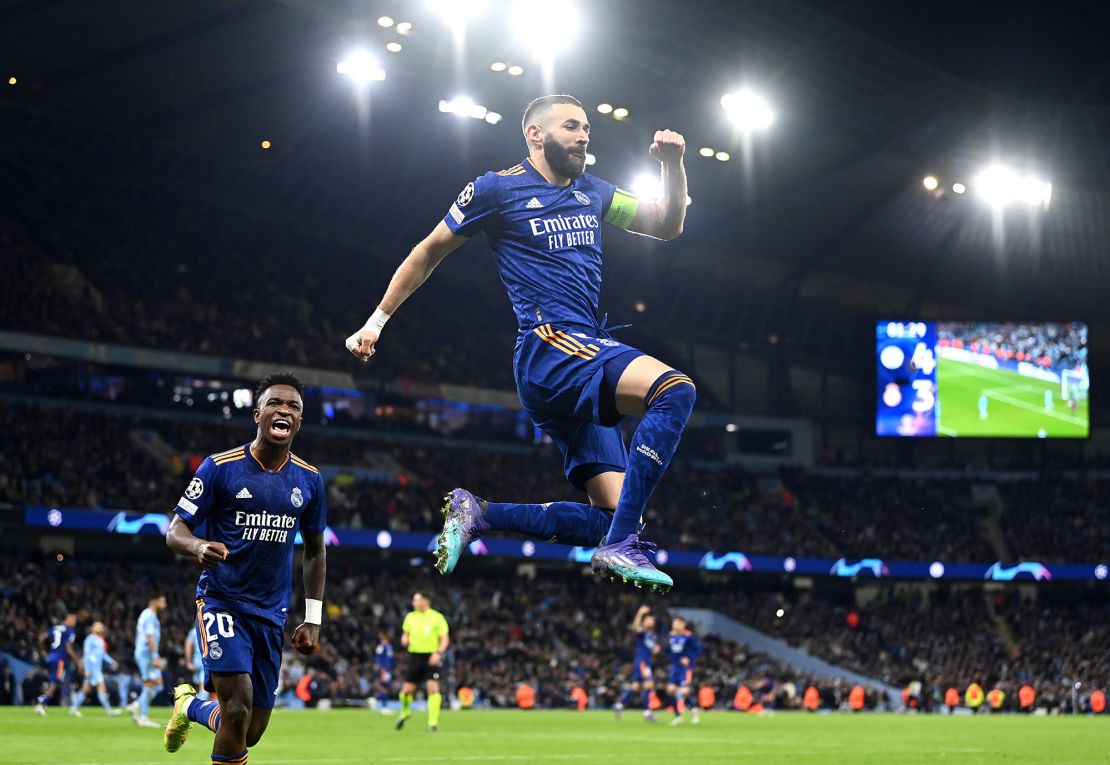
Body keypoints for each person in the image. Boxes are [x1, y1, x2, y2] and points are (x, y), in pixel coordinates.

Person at [347, 94, 692, 593]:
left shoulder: (593, 192)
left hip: (581, 354)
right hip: (550, 347)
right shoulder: (496, 189)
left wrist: (675, 167)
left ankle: (481, 513)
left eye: (587, 128)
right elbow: (428, 252)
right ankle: (622, 548)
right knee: (675, 389)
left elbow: (667, 224)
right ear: (535, 134)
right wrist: (377, 321)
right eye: (572, 126)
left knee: (612, 518)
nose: (583, 136)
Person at [161, 372, 328, 765]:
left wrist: (314, 617)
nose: (284, 410)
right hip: (222, 601)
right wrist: (198, 545)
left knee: (249, 729)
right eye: (275, 403)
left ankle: (189, 707)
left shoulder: (310, 480)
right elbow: (175, 531)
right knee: (236, 709)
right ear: (257, 414)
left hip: (271, 613)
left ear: (300, 421)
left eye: (293, 407)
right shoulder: (220, 467)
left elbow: (316, 551)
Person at [396, 592, 449, 732]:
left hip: (431, 657)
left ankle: (432, 723)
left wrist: (438, 653)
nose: (413, 603)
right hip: (415, 656)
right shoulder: (410, 617)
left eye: (416, 600)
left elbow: (444, 639)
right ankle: (405, 711)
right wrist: (404, 639)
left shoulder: (437, 617)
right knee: (406, 691)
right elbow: (405, 635)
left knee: (432, 688)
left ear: (425, 600)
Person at [614, 605, 659, 721]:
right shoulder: (642, 632)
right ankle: (647, 713)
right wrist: (640, 613)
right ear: (644, 622)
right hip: (641, 661)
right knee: (649, 684)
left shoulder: (652, 635)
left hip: (646, 661)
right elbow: (636, 626)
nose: (651, 622)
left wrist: (655, 649)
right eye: (648, 620)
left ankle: (619, 706)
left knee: (636, 687)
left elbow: (651, 648)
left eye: (652, 621)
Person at [128, 595, 167, 727]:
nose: (164, 603)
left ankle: (141, 712)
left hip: (144, 653)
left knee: (154, 685)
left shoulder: (146, 614)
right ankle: (138, 707)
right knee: (155, 684)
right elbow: (150, 637)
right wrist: (155, 656)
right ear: (154, 600)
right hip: (147, 654)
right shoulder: (150, 616)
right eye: (162, 600)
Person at [70, 621, 121, 717]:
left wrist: (111, 661)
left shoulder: (100, 640)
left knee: (85, 690)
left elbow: (103, 654)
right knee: (101, 688)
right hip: (93, 669)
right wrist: (87, 669)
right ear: (93, 628)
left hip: (96, 668)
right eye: (98, 626)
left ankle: (74, 708)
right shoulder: (89, 639)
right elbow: (87, 655)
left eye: (101, 627)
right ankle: (109, 710)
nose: (100, 628)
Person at [33, 612, 80, 715]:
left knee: (53, 681)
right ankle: (42, 703)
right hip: (60, 659)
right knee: (55, 682)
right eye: (74, 620)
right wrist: (77, 661)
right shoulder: (70, 631)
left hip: (50, 657)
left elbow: (41, 637)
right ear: (68, 620)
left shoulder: (56, 628)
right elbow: (68, 648)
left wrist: (43, 651)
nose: (75, 623)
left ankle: (42, 699)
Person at [664, 617, 701, 725]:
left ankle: (694, 711)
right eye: (674, 623)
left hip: (686, 668)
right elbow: (668, 651)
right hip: (675, 667)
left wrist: (689, 658)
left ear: (683, 625)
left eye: (678, 623)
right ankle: (678, 716)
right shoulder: (671, 636)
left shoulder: (689, 636)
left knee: (684, 691)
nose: (675, 625)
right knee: (671, 690)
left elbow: (699, 649)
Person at [183, 628, 210, 701]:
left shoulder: (194, 630)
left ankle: (197, 706)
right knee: (204, 688)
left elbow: (188, 644)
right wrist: (188, 662)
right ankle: (197, 707)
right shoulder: (197, 630)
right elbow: (188, 644)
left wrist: (188, 661)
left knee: (203, 688)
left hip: (199, 662)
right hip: (204, 662)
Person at [372, 629, 395, 714]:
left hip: (388, 669)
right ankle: (383, 707)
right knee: (384, 687)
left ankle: (378, 701)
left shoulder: (389, 646)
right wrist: (381, 668)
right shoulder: (381, 646)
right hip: (384, 669)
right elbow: (377, 658)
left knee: (386, 687)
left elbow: (391, 659)